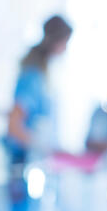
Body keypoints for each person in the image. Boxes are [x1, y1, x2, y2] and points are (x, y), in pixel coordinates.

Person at [5, 15, 72, 191]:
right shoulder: (32, 76)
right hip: (26, 166)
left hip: (38, 165)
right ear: (57, 42)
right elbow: (13, 126)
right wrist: (41, 146)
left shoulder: (44, 74)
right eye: (66, 42)